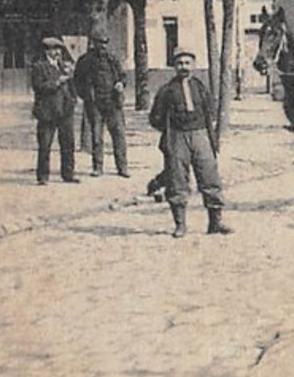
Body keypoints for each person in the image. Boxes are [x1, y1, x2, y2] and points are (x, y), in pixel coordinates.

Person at [148, 49, 230, 238]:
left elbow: (210, 111)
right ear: (174, 66)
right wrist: (171, 132)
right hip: (178, 137)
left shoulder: (200, 87)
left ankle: (215, 222)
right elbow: (155, 117)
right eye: (180, 63)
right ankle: (180, 225)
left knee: (210, 177)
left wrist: (210, 138)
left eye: (187, 63)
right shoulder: (166, 90)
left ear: (193, 65)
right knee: (177, 181)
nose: (184, 67)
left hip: (201, 135)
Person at [73, 26, 129, 178]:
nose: (103, 46)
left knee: (119, 135)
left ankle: (122, 167)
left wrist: (121, 84)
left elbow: (123, 76)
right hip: (95, 104)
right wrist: (85, 96)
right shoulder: (85, 61)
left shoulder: (112, 59)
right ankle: (98, 167)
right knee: (97, 137)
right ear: (93, 43)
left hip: (113, 103)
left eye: (105, 43)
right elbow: (77, 81)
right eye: (99, 43)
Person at [30, 36, 77, 185]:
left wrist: (72, 99)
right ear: (46, 51)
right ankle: (43, 176)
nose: (57, 53)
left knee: (68, 144)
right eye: (53, 50)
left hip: (65, 111)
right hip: (47, 111)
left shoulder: (64, 66)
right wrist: (57, 82)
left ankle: (68, 174)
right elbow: (38, 86)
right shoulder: (39, 67)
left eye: (59, 50)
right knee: (45, 145)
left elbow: (72, 86)